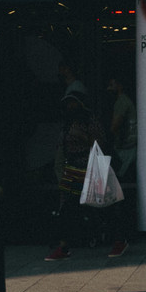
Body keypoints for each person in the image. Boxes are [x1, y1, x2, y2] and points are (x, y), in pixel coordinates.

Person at [45, 84, 109, 261]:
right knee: (67, 208)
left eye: (73, 103)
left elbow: (99, 145)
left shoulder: (89, 121)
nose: (70, 107)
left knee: (100, 208)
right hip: (72, 169)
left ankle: (115, 237)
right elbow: (61, 150)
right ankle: (64, 246)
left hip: (87, 167)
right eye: (68, 104)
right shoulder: (67, 124)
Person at [105, 73, 137, 258]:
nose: (108, 87)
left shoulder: (121, 102)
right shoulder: (126, 101)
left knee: (118, 195)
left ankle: (121, 237)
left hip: (124, 152)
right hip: (127, 150)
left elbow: (114, 127)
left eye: (112, 84)